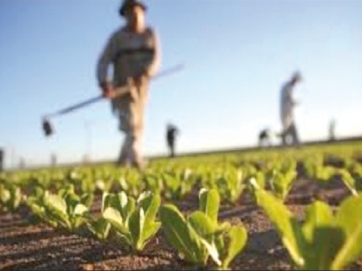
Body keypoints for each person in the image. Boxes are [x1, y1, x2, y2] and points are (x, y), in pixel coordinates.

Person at [96, 0, 161, 169]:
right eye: (129, 12)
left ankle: (122, 161)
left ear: (143, 12)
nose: (133, 15)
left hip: (142, 91)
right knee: (131, 124)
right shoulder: (117, 38)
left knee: (138, 125)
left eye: (136, 11)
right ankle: (136, 160)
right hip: (122, 90)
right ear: (124, 15)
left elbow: (156, 59)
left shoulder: (150, 34)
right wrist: (104, 83)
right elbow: (103, 61)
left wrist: (146, 73)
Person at [280, 71, 302, 146]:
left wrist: (293, 103)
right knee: (289, 127)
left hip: (287, 110)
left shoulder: (288, 86)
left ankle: (289, 143)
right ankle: (294, 143)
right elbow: (288, 97)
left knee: (288, 127)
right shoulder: (288, 86)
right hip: (286, 110)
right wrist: (294, 103)